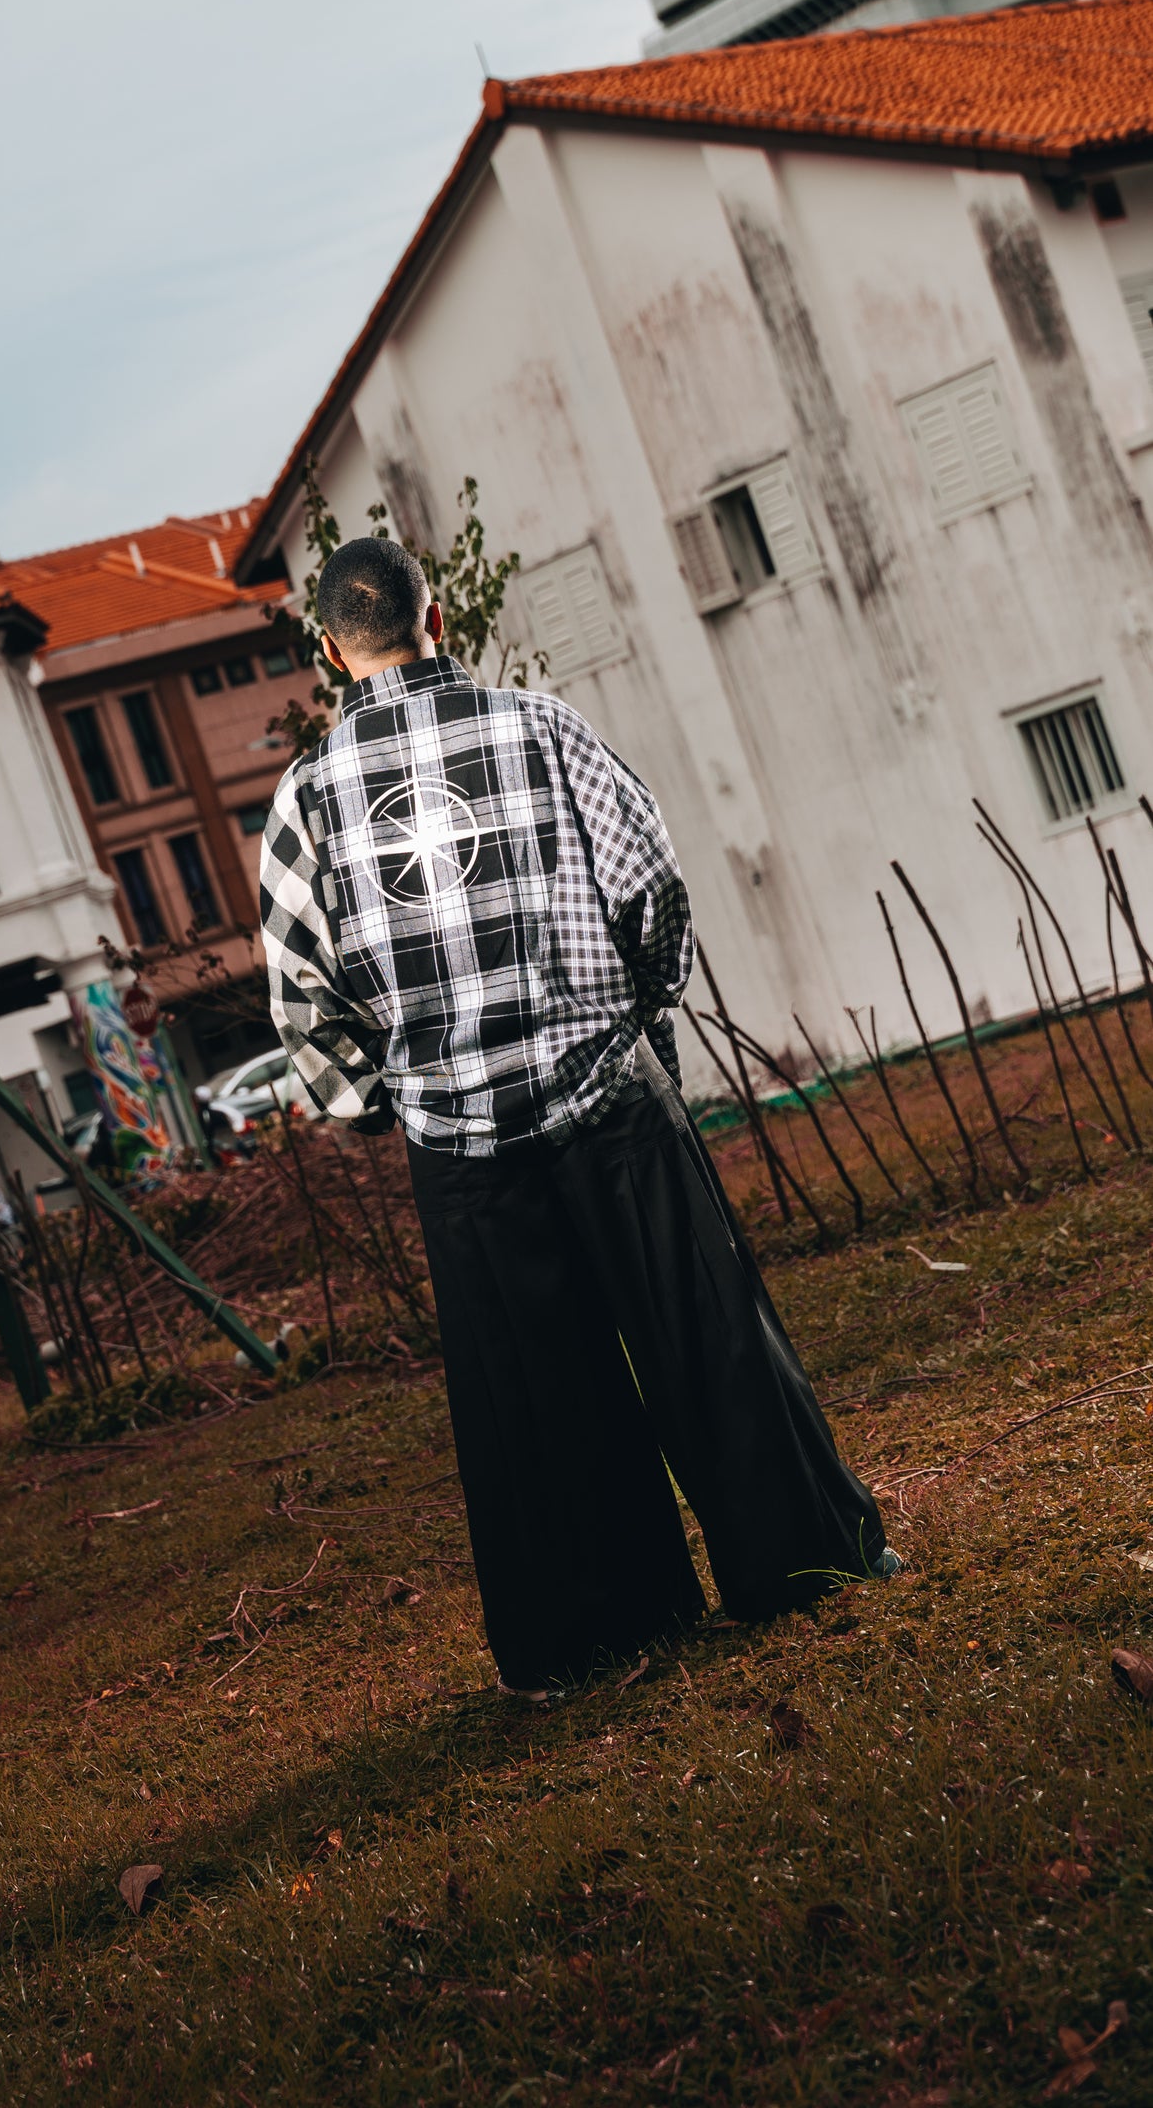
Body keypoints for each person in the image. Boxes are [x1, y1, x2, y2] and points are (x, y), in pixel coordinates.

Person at [260, 535, 897, 1700]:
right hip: (606, 1096)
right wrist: (643, 1016)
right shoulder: (539, 727)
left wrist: (383, 1104)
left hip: (459, 1149)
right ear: (434, 614)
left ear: (326, 650)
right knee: (708, 1337)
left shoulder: (304, 800)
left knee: (531, 1399)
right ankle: (800, 1558)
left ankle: (599, 1631)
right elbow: (647, 885)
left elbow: (302, 993)